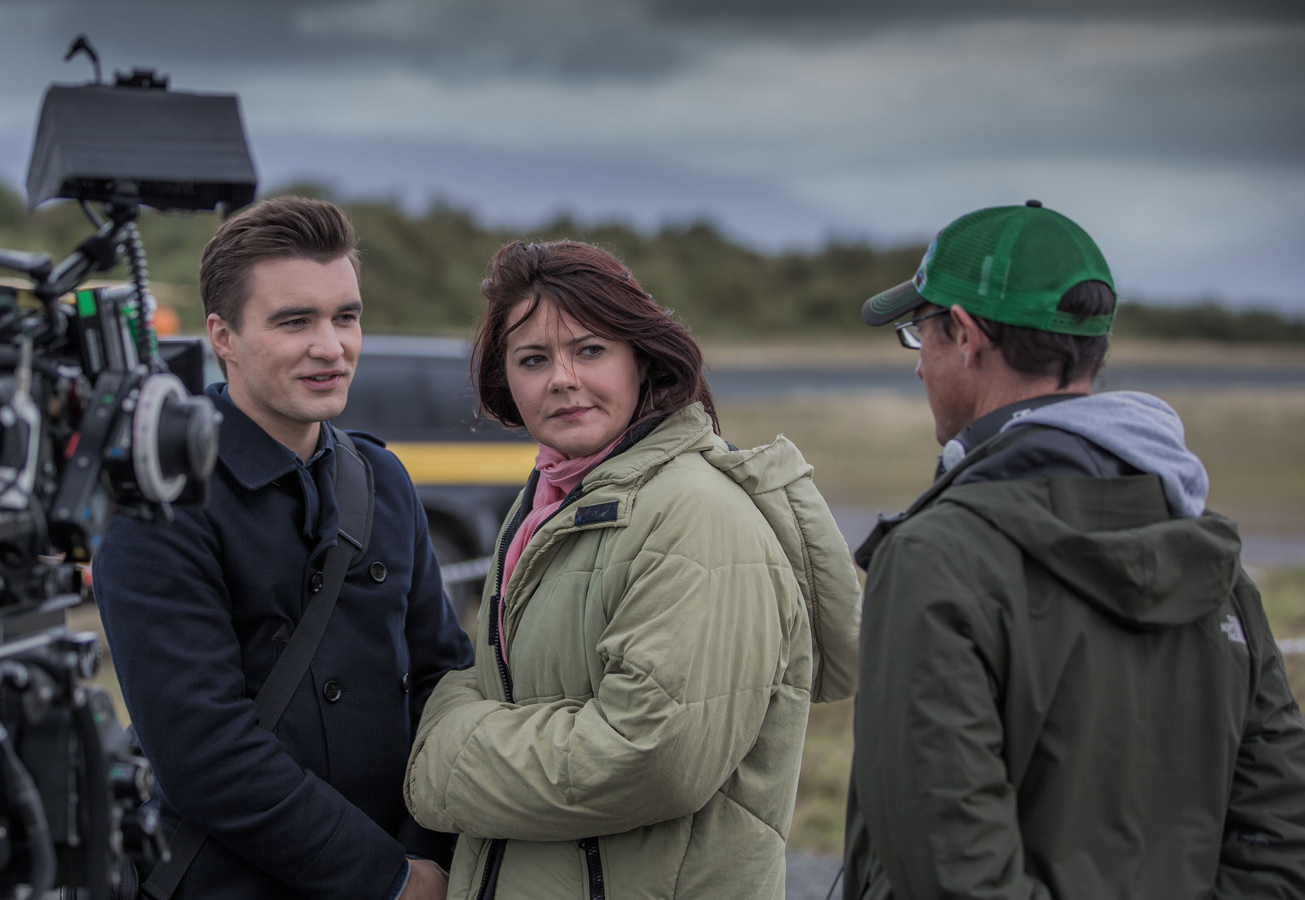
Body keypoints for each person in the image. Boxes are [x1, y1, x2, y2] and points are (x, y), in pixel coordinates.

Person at [843, 200, 1305, 899]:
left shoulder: (935, 557)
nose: (918, 369)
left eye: (920, 336)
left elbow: (952, 871)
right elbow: (1280, 835)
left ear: (965, 335)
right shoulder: (1209, 551)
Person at [404, 239, 862, 899]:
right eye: (533, 359)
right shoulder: (553, 497)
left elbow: (649, 757)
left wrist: (444, 750)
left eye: (590, 350)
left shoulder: (694, 514)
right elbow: (519, 694)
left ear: (642, 359)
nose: (562, 378)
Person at [93, 196, 474, 900]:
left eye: (346, 316)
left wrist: (428, 858)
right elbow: (205, 753)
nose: (331, 346)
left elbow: (444, 682)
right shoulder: (165, 496)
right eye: (294, 320)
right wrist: (385, 879)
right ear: (223, 336)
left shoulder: (382, 480)